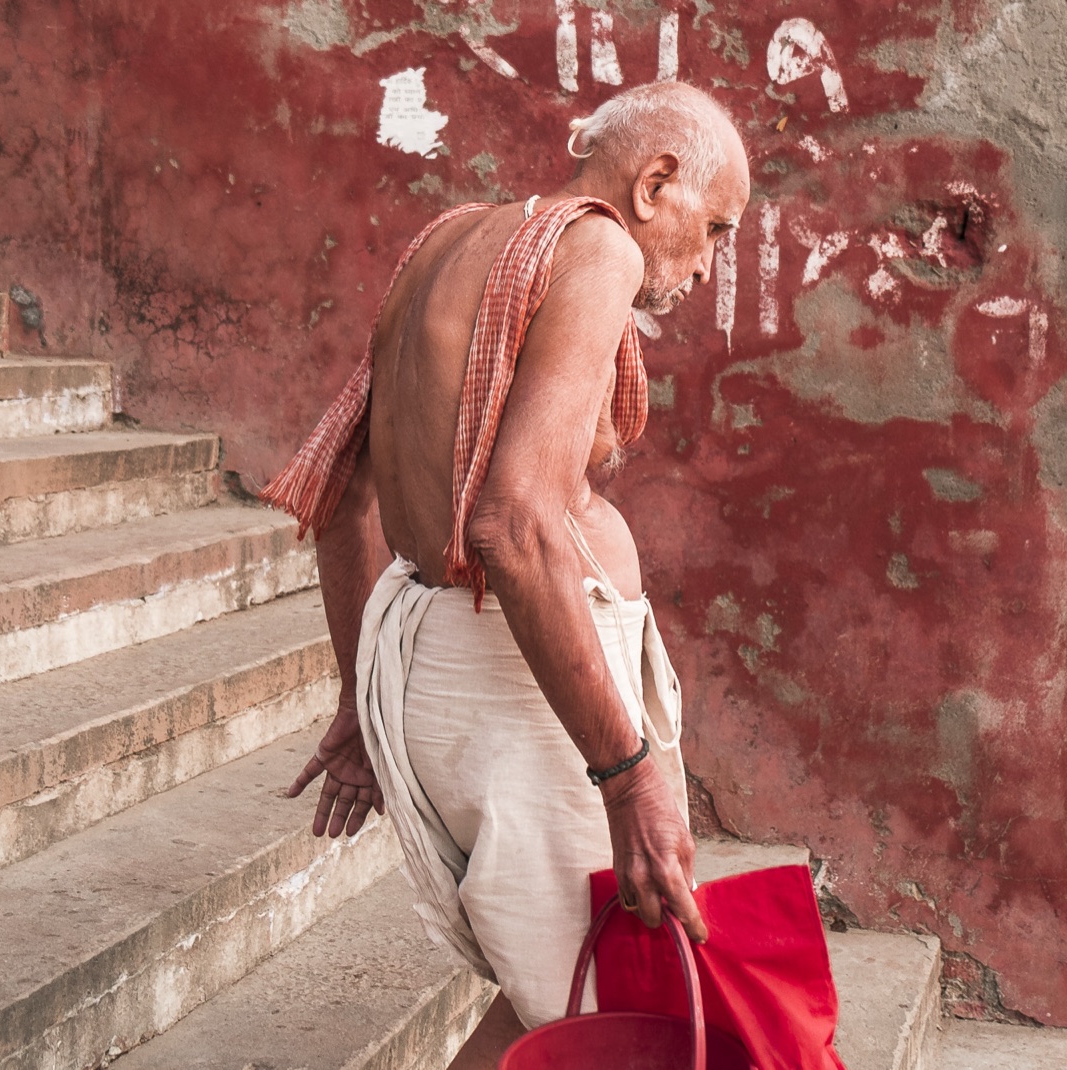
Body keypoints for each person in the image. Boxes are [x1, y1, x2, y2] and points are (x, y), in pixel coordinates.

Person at [265, 81, 752, 1068]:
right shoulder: (600, 247)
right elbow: (515, 520)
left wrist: (363, 694)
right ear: (655, 182)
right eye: (713, 227)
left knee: (563, 998)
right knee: (602, 992)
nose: (708, 263)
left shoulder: (446, 239)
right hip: (512, 676)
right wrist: (629, 779)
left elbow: (342, 494)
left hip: (443, 659)